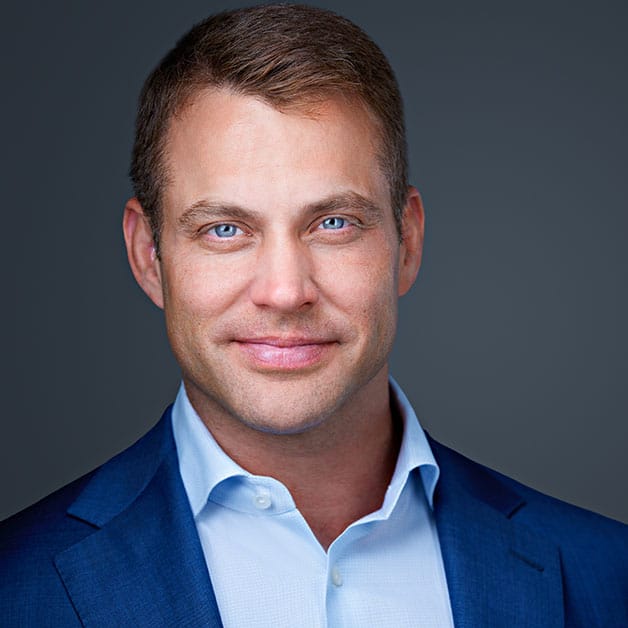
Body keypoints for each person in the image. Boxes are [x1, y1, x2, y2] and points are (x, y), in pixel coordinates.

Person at [1, 4, 626, 626]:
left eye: (333, 223)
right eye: (225, 229)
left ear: (406, 243)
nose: (284, 290)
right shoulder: (15, 585)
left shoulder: (608, 577)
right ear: (148, 255)